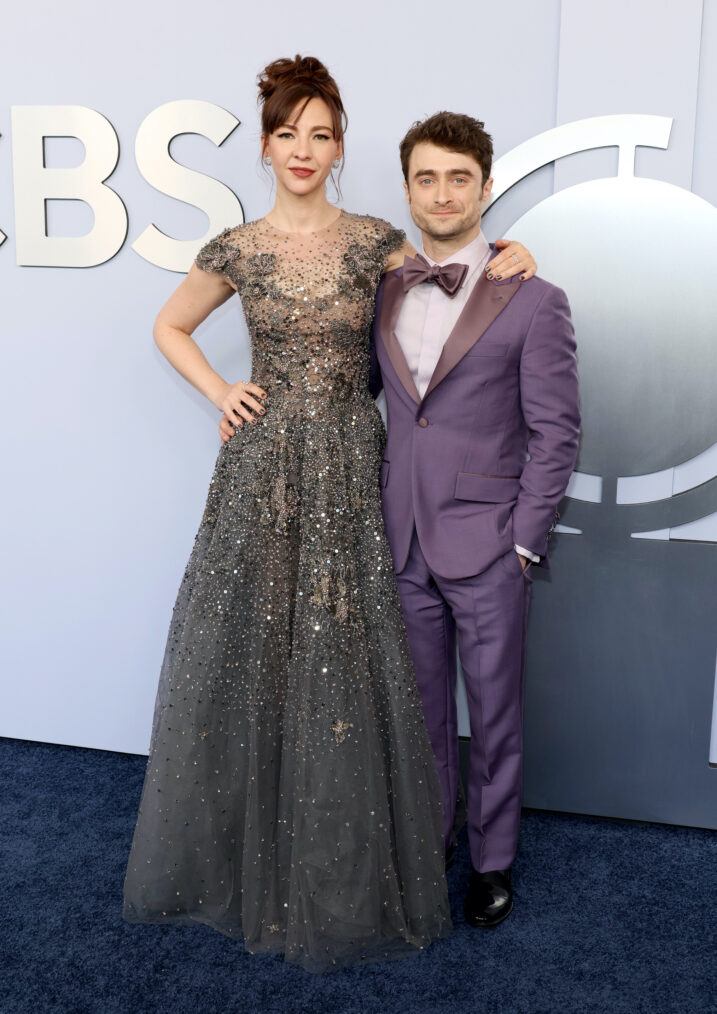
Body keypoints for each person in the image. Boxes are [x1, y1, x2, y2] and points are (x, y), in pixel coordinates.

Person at [123, 56, 535, 972]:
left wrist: (512, 254)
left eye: (320, 134)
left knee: (350, 651)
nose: (303, 150)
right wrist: (221, 388)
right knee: (263, 645)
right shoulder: (236, 246)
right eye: (286, 133)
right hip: (266, 471)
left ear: (339, 146)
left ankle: (367, 833)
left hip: (358, 466)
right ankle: (259, 833)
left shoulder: (376, 241)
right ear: (265, 144)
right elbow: (168, 326)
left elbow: (450, 276)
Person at [368, 112, 580, 929]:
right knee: (419, 710)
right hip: (403, 537)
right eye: (427, 177)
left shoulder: (533, 299)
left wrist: (524, 539)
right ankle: (431, 840)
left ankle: (491, 862)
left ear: (485, 187)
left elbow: (557, 430)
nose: (443, 192)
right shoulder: (384, 285)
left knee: (492, 717)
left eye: (459, 177)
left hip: (491, 543)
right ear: (409, 189)